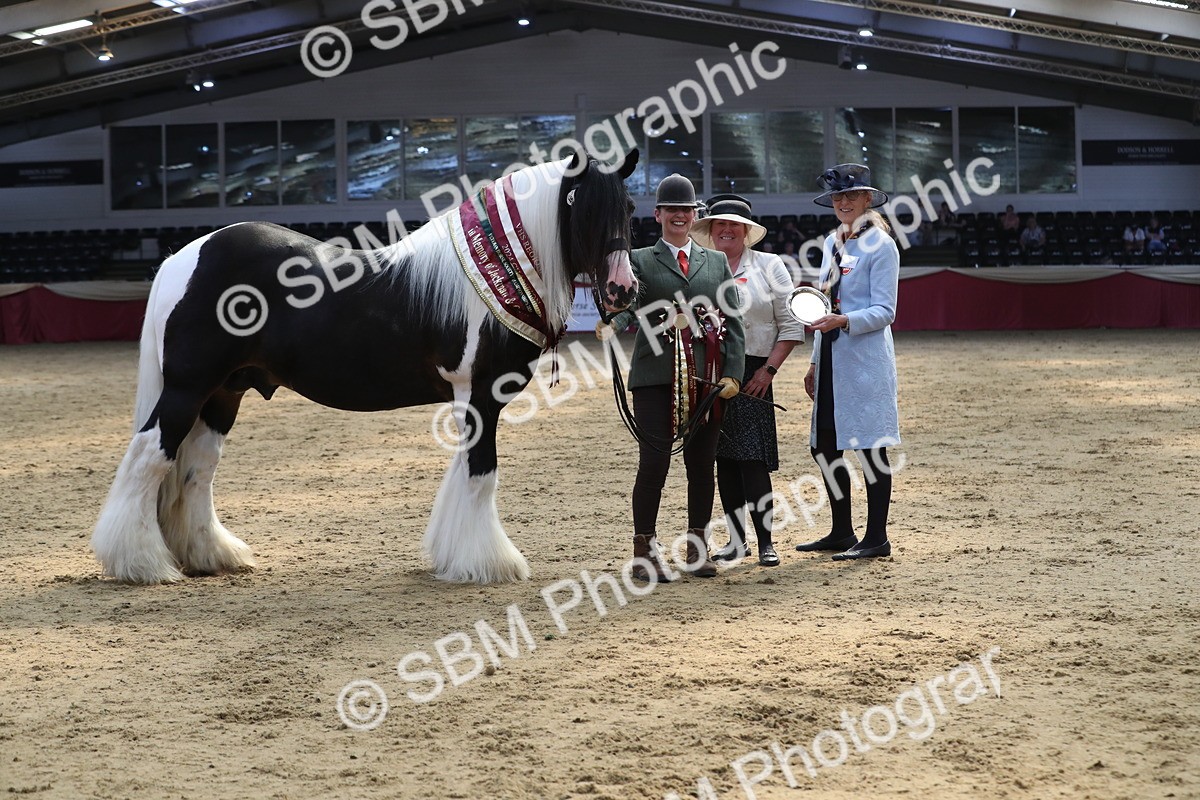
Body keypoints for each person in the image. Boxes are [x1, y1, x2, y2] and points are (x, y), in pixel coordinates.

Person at [601, 174, 746, 582]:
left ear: (694, 215)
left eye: (686, 210)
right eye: (672, 210)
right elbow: (630, 307)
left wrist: (733, 374)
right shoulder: (640, 259)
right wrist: (613, 323)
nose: (680, 216)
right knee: (654, 465)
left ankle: (697, 550)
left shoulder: (715, 262)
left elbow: (733, 322)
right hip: (655, 376)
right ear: (658, 214)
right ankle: (644, 553)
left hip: (705, 380)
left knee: (701, 466)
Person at [691, 195, 805, 567]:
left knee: (752, 460)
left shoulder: (770, 266)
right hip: (710, 372)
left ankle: (766, 542)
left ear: (746, 231)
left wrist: (767, 371)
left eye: (734, 225)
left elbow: (791, 326)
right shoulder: (699, 266)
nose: (726, 230)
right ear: (711, 229)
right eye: (720, 224)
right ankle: (736, 540)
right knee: (723, 460)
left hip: (755, 372)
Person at [793, 164, 899, 560]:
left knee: (871, 449)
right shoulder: (831, 242)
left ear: (867, 199)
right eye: (838, 196)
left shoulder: (882, 246)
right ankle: (842, 530)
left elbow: (886, 310)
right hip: (831, 358)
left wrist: (845, 321)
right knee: (824, 447)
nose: (843, 202)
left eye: (851, 195)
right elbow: (824, 306)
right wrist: (814, 362)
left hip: (865, 360)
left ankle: (877, 537)